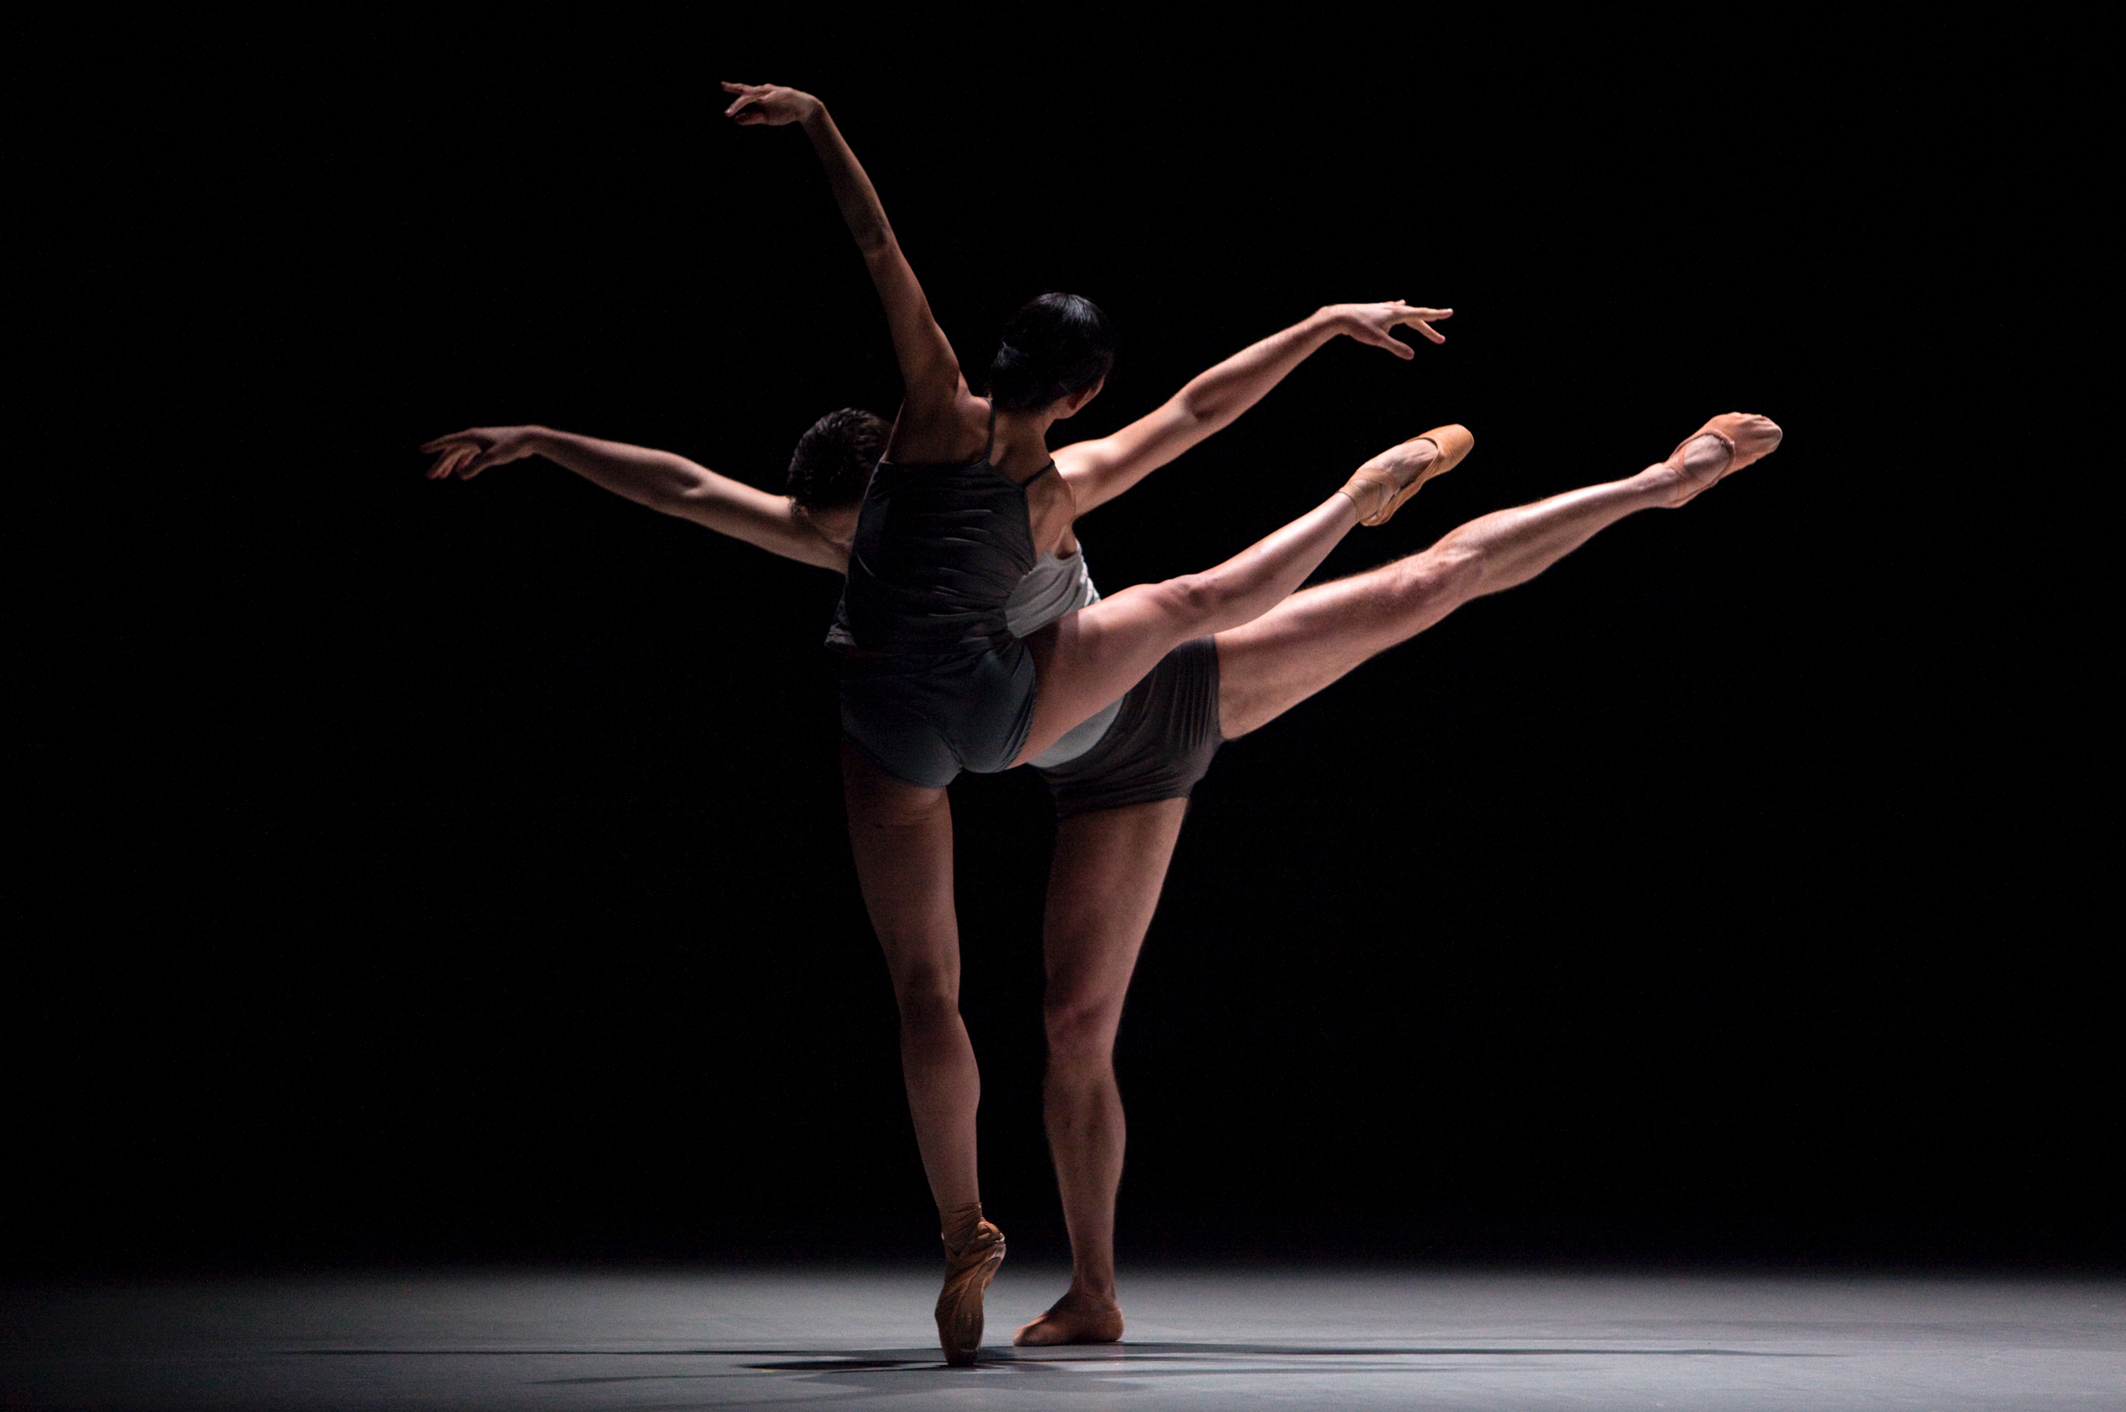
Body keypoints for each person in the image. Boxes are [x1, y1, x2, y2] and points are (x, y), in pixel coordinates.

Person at [423, 398, 1779, 1355]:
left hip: (1175, 689)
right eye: (855, 544)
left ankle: (1658, 481)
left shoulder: (998, 504)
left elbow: (1182, 418)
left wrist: (1312, 334)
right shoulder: (833, 538)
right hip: (1085, 773)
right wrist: (543, 439)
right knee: (1074, 1028)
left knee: (1425, 585)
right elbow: (679, 485)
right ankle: (1094, 1296)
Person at [718, 79, 1481, 1362]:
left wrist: (818, 126)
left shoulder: (917, 453)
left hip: (999, 723)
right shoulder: (1046, 472)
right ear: (1078, 393)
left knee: (932, 987)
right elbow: (1194, 407)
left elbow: (870, 265)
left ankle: (963, 1216)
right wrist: (1317, 320)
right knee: (1190, 614)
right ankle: (1349, 501)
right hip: (1026, 729)